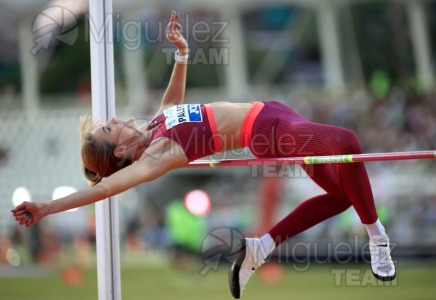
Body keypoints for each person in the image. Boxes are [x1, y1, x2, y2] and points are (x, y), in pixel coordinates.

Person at [12, 10, 396, 299]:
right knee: (346, 143)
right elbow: (103, 191)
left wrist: (181, 55)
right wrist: (46, 208)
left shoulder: (151, 129)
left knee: (343, 194)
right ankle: (377, 239)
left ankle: (260, 247)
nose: (114, 118)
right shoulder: (154, 157)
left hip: (276, 111)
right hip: (267, 132)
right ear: (122, 151)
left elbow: (171, 104)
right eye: (110, 128)